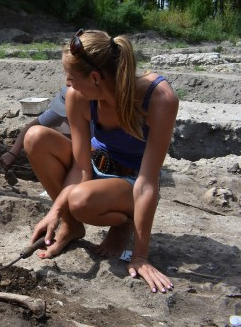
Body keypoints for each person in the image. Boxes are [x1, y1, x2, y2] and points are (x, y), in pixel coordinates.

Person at [25, 29, 178, 294]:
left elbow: (147, 182)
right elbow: (81, 167)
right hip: (96, 169)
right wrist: (56, 212)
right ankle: (72, 227)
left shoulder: (159, 99)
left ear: (95, 77)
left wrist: (139, 257)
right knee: (35, 137)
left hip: (132, 182)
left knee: (81, 201)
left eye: (71, 78)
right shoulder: (78, 98)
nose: (68, 85)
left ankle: (124, 222)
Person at [0, 85, 70, 170]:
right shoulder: (58, 111)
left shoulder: (88, 111)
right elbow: (30, 128)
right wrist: (12, 153)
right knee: (44, 132)